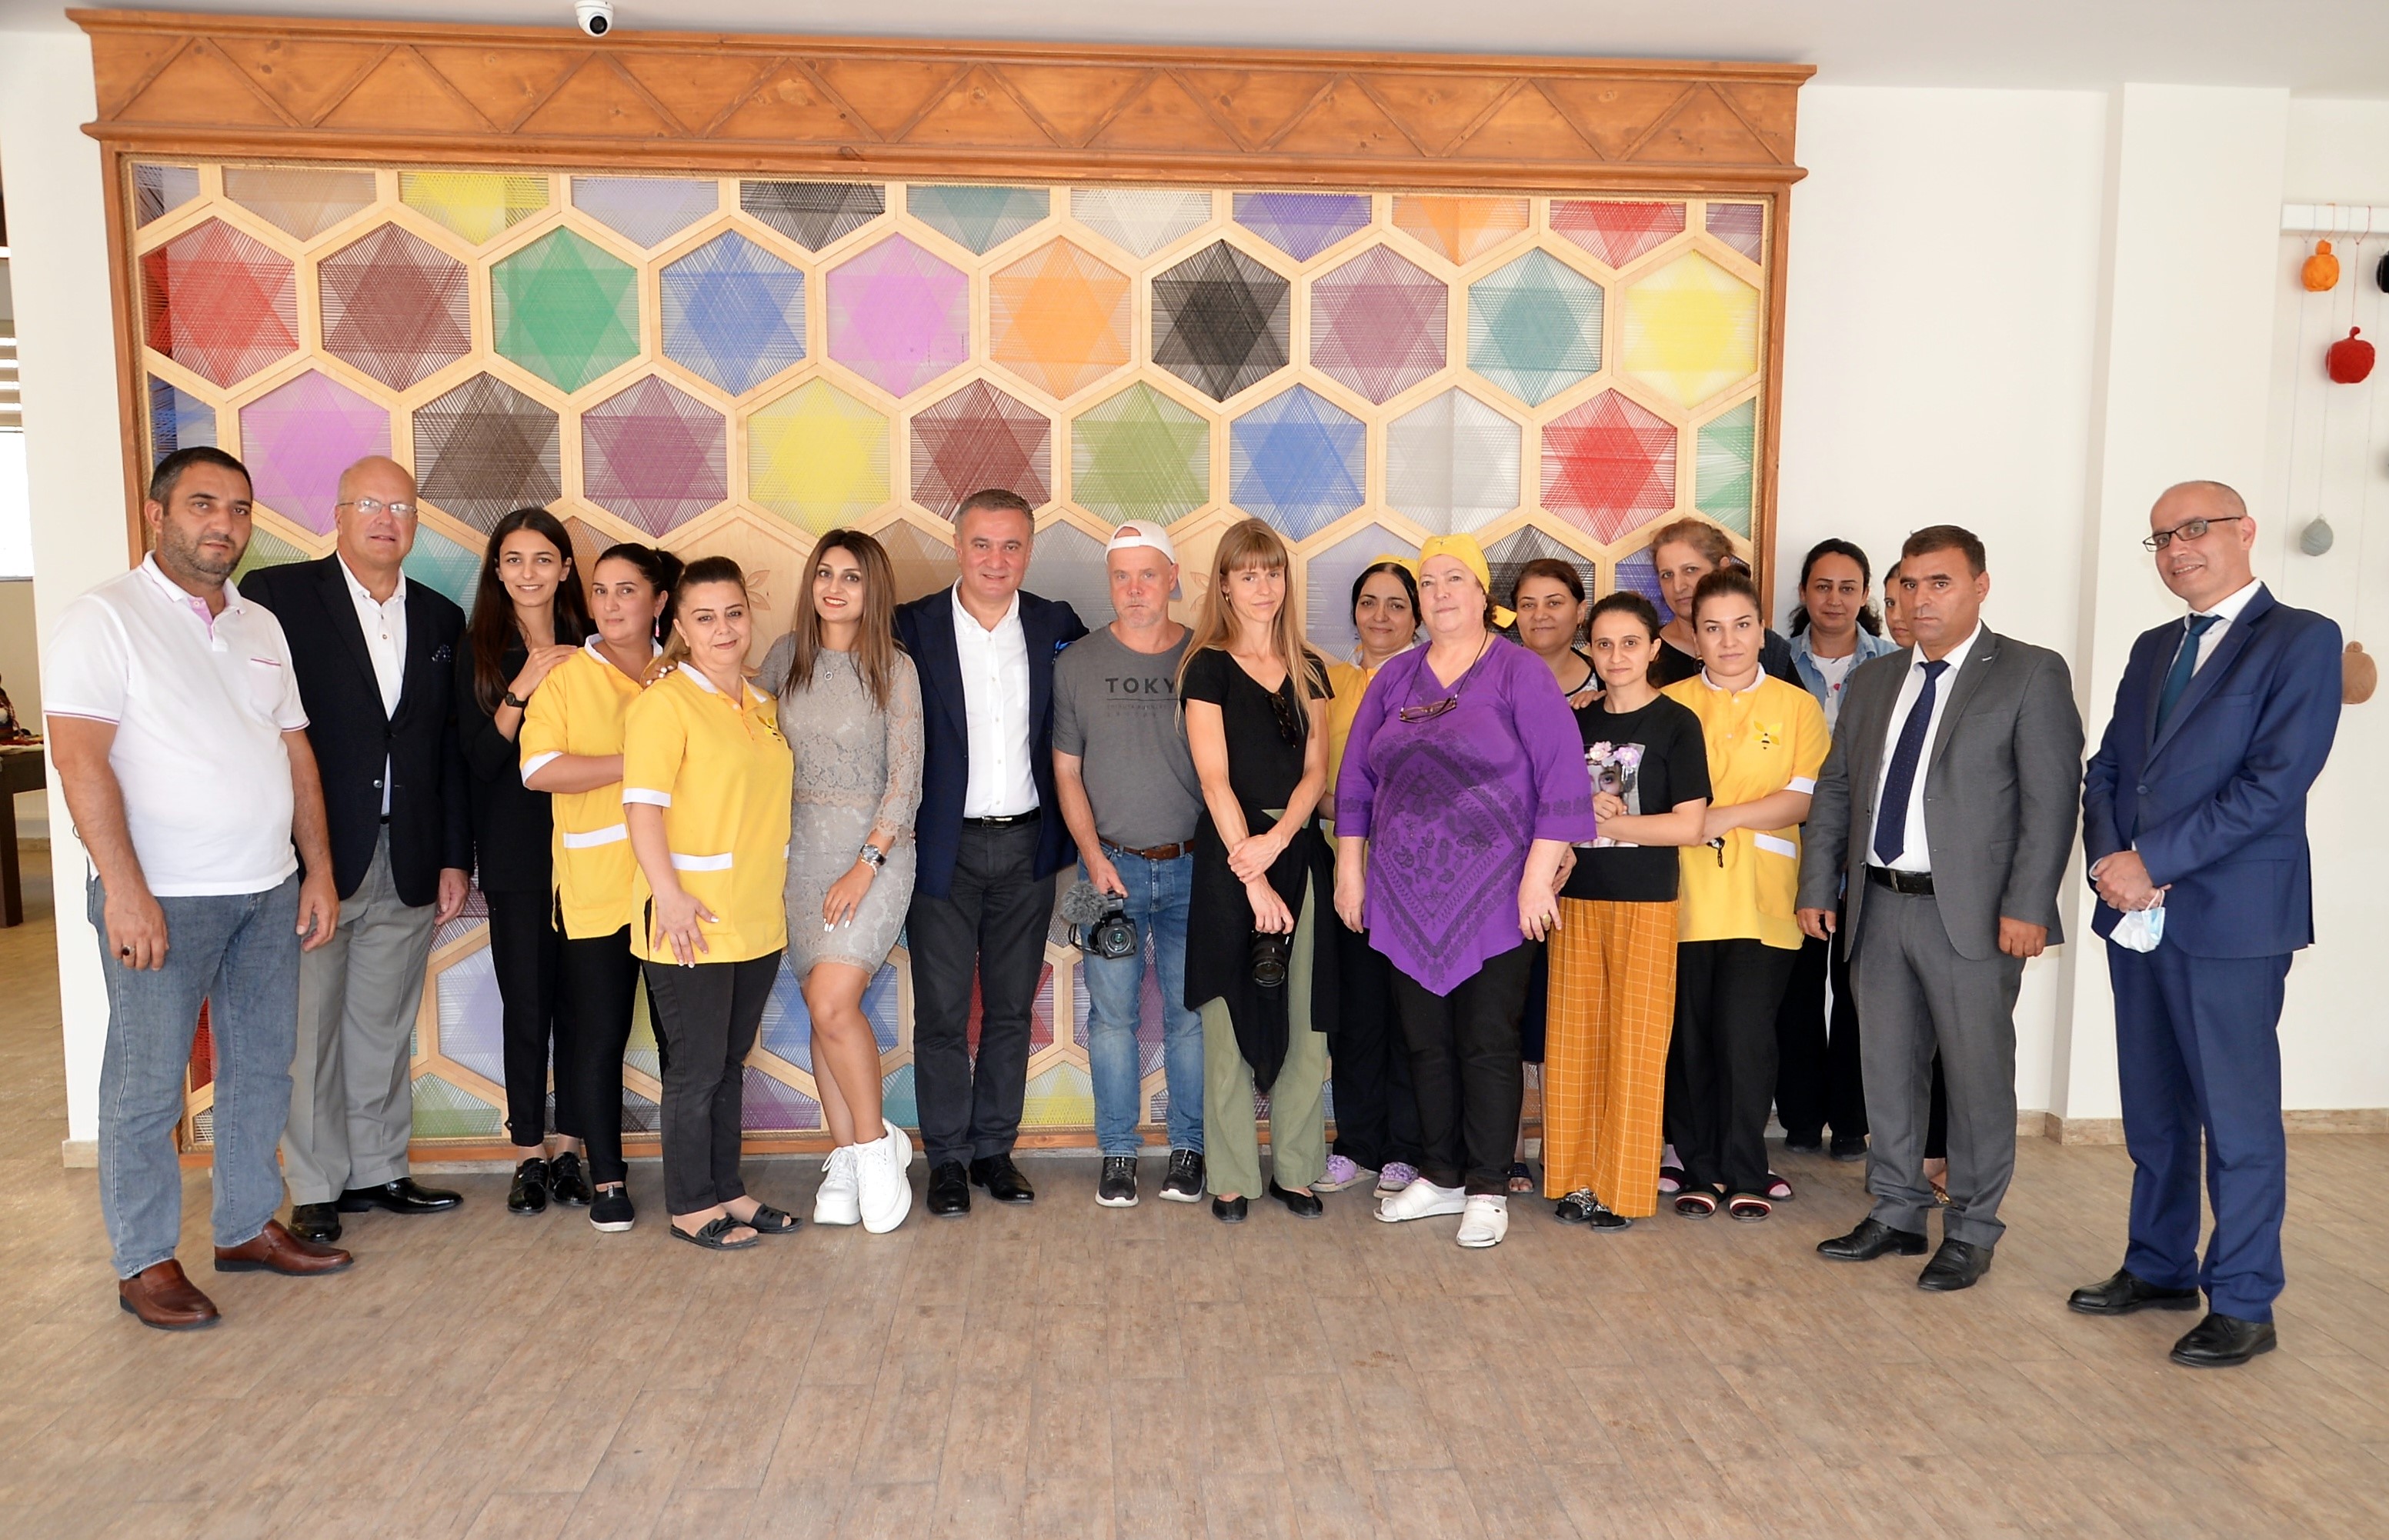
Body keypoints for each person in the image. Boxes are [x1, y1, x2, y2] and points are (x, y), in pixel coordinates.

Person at [46, 446, 352, 1328]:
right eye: (203, 504)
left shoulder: (258, 625)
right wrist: (124, 888)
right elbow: (79, 760)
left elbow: (295, 752)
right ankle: (143, 1260)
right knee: (146, 1087)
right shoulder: (104, 618)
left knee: (259, 1068)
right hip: (163, 896)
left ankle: (246, 1225)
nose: (225, 524)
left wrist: (317, 870)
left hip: (268, 889)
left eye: (240, 508)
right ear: (158, 514)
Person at [2073, 482, 2342, 1366]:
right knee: (2154, 1110)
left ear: (2245, 531)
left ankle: (2245, 1300)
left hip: (2233, 919)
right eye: (2160, 537)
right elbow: (2109, 769)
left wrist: (2155, 861)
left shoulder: (2301, 640)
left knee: (2236, 1120)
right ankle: (2158, 1266)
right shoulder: (2156, 647)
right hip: (2135, 914)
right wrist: (2111, 863)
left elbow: (2274, 783)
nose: (2176, 548)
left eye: (2194, 529)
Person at [1799, 525, 2082, 1290]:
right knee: (1886, 1069)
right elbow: (1836, 788)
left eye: (1939, 583)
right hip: (1878, 906)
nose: (1920, 599)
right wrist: (1818, 884)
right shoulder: (1876, 680)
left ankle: (1973, 1228)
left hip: (1976, 916)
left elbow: (2052, 800)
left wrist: (2029, 904)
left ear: (1979, 587)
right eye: (1909, 584)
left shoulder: (2028, 672)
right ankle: (1896, 1211)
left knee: (1976, 1076)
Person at [1337, 533, 1593, 1248]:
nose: (1440, 592)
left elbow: (1563, 778)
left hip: (1498, 893)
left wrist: (1537, 880)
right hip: (1405, 892)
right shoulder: (1394, 677)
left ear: (1484, 595)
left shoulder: (1518, 671)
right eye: (1429, 582)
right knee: (1424, 1043)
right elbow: (1355, 780)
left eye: (1455, 579)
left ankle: (1486, 1185)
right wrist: (1350, 870)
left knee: (1485, 1041)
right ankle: (1441, 1174)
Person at [240, 456, 470, 1244]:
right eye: (369, 504)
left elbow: (446, 747)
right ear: (337, 515)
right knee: (310, 1030)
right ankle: (314, 1187)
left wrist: (453, 856)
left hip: (407, 854)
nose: (385, 519)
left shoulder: (440, 617)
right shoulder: (277, 598)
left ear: (416, 523)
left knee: (383, 1025)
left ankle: (378, 1170)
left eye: (400, 507)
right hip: (315, 859)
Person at [896, 489, 1088, 1216]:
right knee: (943, 1015)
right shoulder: (909, 626)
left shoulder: (1055, 624)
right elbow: (827, 657)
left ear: (1029, 552)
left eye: (1011, 545)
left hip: (1027, 846)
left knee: (1009, 1010)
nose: (995, 559)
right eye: (981, 543)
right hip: (939, 848)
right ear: (957, 546)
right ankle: (946, 1159)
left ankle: (993, 1153)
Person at [622, 557, 799, 1250]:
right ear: (678, 626)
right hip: (688, 919)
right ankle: (691, 1205)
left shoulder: (760, 703)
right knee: (694, 1070)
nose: (722, 629)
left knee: (728, 1064)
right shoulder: (664, 703)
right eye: (704, 617)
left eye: (733, 613)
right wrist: (667, 897)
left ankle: (728, 1189)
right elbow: (641, 808)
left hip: (755, 917)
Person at [758, 530, 921, 1235]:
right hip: (796, 857)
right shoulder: (784, 657)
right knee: (819, 1011)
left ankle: (876, 1145)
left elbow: (905, 779)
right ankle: (848, 1155)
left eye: (851, 577)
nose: (834, 588)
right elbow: (737, 729)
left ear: (872, 588)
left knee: (832, 1001)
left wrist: (866, 863)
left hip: (873, 855)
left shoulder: (895, 668)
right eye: (824, 573)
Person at [1180, 518, 1337, 1223]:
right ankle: (1232, 1176)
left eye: (1272, 572)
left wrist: (1278, 843)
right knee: (1227, 1021)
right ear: (1223, 584)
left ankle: (1297, 1170)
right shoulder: (1206, 667)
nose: (1263, 586)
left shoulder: (1310, 668)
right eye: (1248, 574)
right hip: (1229, 858)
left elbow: (1315, 773)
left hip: (1296, 852)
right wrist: (1252, 874)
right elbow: (1213, 780)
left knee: (1307, 1021)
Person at [1660, 567, 1827, 1222]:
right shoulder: (1669, 703)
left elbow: (1804, 796)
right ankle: (1699, 1169)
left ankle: (1746, 1169)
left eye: (1740, 626)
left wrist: (1722, 817)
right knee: (1690, 1038)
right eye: (1711, 628)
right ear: (1693, 636)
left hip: (1763, 897)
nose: (1727, 641)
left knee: (1746, 1036)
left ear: (1762, 631)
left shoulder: (1796, 705)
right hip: (1681, 894)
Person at [1051, 520, 1207, 1208]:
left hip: (1195, 868)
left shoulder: (1206, 657)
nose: (1135, 588)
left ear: (1173, 578)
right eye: (1122, 575)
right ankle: (1117, 1152)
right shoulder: (1076, 664)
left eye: (1148, 574)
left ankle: (1189, 1148)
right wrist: (1092, 858)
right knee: (1109, 1019)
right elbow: (1066, 771)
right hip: (1103, 871)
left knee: (1189, 1017)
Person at [522, 542, 678, 1234]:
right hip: (596, 886)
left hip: (676, 887)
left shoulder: (685, 674)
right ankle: (608, 1177)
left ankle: (694, 1175)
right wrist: (634, 761)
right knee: (598, 1037)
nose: (611, 605)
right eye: (601, 591)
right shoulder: (565, 676)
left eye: (627, 590)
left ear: (659, 602)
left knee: (683, 1043)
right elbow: (538, 770)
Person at [1543, 591, 1710, 1232]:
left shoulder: (1676, 724)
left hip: (1646, 904)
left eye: (1630, 643)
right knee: (1573, 1046)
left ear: (1654, 649)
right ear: (1590, 650)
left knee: (1635, 1049)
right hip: (1576, 901)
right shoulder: (1575, 721)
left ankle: (1622, 1188)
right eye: (1604, 644)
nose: (1616, 656)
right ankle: (1576, 1180)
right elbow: (1548, 805)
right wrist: (1578, 815)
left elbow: (1689, 826)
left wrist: (1612, 822)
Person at [455, 508, 593, 1218]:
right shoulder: (479, 647)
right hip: (514, 853)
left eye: (543, 559)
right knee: (527, 1006)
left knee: (583, 1007)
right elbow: (478, 762)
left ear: (565, 568)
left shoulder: (592, 642)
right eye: (514, 559)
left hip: (591, 850)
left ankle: (571, 1149)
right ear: (497, 569)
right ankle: (528, 1154)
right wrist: (523, 685)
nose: (529, 573)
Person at [1777, 538, 1897, 1163]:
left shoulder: (1893, 664)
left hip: (1867, 851)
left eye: (1847, 587)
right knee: (1795, 994)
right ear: (1803, 592)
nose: (1833, 599)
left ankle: (1851, 1121)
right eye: (1821, 586)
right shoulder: (1774, 659)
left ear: (1865, 594)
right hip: (1789, 850)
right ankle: (1799, 1118)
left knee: (1857, 994)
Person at [1320, 558, 1426, 1198]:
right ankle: (1356, 1144)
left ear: (1417, 617)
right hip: (1345, 870)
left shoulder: (1434, 680)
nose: (1380, 616)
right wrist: (1345, 809)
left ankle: (1405, 1149)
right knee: (1356, 1014)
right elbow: (1313, 774)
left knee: (1409, 1014)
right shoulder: (1328, 681)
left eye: (1395, 604)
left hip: (1418, 875)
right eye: (1368, 602)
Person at [1506, 558, 1597, 1192]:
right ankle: (1508, 1150)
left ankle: (1566, 1154)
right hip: (1510, 870)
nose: (1540, 615)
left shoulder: (1608, 679)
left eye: (1555, 601)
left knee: (1569, 1018)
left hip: (1589, 877)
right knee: (1510, 1015)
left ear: (1579, 610)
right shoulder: (1497, 674)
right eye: (1528, 603)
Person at [1645, 517, 1800, 688]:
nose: (1678, 586)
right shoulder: (1646, 651)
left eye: (1690, 570)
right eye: (1667, 575)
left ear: (1722, 567)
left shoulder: (1768, 648)